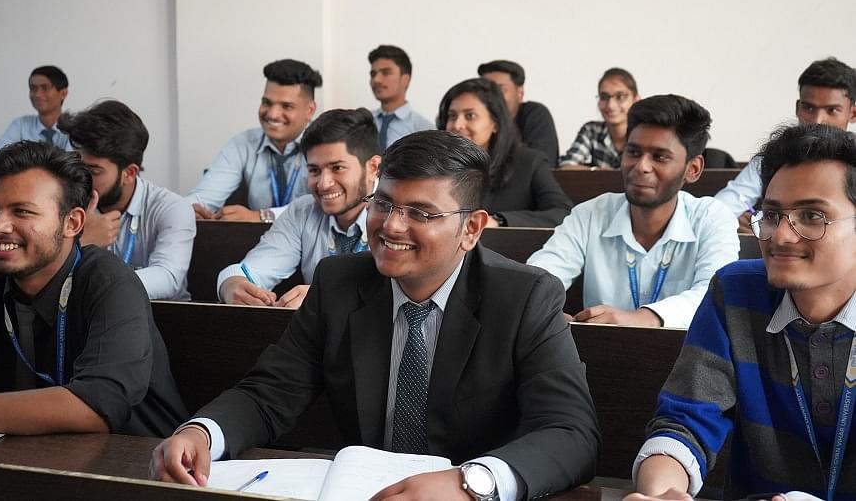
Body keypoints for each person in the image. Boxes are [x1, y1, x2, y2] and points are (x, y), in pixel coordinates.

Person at [150, 131, 599, 500]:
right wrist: (202, 433)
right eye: (382, 203)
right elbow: (271, 392)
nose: (391, 226)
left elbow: (571, 432)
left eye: (420, 212)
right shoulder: (339, 283)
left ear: (471, 228)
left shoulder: (524, 297)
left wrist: (470, 483)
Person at [628, 124, 856, 500]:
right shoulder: (736, 291)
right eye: (772, 214)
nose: (781, 236)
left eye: (812, 216)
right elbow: (687, 421)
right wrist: (662, 492)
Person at [0, 141, 187, 438]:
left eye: (22, 212)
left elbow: (97, 406)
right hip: (20, 452)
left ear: (73, 222)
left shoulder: (110, 282)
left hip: (135, 456)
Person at [528, 95, 739, 328]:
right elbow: (540, 276)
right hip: (600, 348)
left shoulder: (712, 217)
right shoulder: (590, 214)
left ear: (693, 169)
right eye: (634, 153)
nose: (641, 167)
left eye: (660, 157)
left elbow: (715, 294)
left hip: (685, 351)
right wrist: (544, 309)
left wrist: (644, 317)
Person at [217, 108, 380, 309]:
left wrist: (324, 297)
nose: (324, 184)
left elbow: (398, 293)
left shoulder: (398, 214)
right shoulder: (302, 211)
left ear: (373, 168)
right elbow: (249, 271)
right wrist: (232, 285)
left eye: (337, 168)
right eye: (314, 170)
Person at [59, 100, 196, 301]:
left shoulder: (171, 208)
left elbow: (167, 277)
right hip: (89, 314)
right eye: (78, 165)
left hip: (159, 315)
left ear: (129, 173)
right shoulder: (68, 203)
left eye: (94, 171)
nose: (82, 177)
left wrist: (99, 284)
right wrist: (81, 242)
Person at [715, 57, 856, 230]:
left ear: (853, 114)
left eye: (832, 110)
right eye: (809, 108)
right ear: (798, 108)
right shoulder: (775, 156)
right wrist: (743, 221)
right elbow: (723, 208)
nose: (818, 120)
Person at [186, 59, 323, 222]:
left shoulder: (326, 145)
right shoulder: (244, 143)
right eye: (267, 103)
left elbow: (322, 204)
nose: (272, 114)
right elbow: (205, 195)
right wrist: (190, 210)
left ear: (310, 110)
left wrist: (262, 216)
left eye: (287, 106)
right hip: (260, 238)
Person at [437, 78, 573, 228]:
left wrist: (498, 220)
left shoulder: (529, 163)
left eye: (470, 116)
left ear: (495, 123)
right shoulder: (435, 163)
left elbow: (562, 213)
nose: (457, 125)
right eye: (452, 116)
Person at [478, 59, 560, 164]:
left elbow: (540, 163)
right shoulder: (468, 121)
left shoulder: (534, 114)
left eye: (500, 89)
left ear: (520, 93)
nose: (490, 97)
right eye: (484, 91)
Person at [560, 68, 640, 169]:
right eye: (604, 97)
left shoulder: (644, 134)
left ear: (636, 100)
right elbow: (566, 166)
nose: (611, 105)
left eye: (620, 97)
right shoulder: (592, 130)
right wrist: (597, 171)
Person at [0, 65, 73, 155]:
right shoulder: (21, 125)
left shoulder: (75, 127)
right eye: (33, 88)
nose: (37, 94)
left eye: (45, 88)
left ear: (63, 93)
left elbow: (76, 161)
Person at [369, 45, 435, 150]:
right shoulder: (363, 123)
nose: (376, 80)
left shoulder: (424, 129)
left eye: (386, 73)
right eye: (373, 74)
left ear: (405, 79)